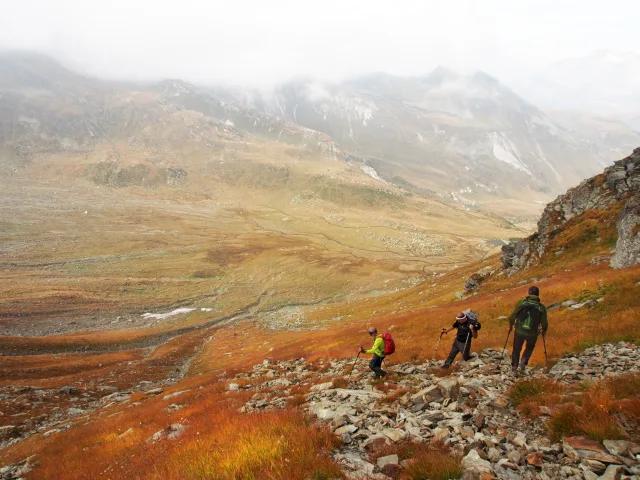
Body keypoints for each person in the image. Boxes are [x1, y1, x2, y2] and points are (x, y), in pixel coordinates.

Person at [508, 286, 548, 374]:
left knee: (516, 348)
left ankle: (514, 366)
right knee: (529, 348)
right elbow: (544, 323)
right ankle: (523, 362)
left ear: (529, 293)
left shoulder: (521, 303)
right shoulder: (541, 307)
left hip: (519, 331)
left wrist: (510, 326)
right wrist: (543, 331)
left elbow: (513, 316)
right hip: (533, 333)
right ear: (538, 294)